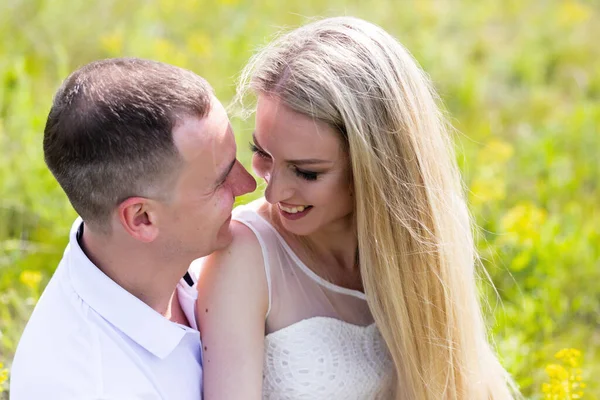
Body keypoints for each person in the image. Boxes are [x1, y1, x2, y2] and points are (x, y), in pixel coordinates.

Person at [196, 17, 518, 399]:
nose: (273, 192)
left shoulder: (429, 238)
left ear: (376, 168)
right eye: (262, 154)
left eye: (306, 172)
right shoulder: (245, 254)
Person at [9, 58, 256, 399]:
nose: (248, 184)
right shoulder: (84, 385)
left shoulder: (209, 250)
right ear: (141, 218)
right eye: (219, 181)